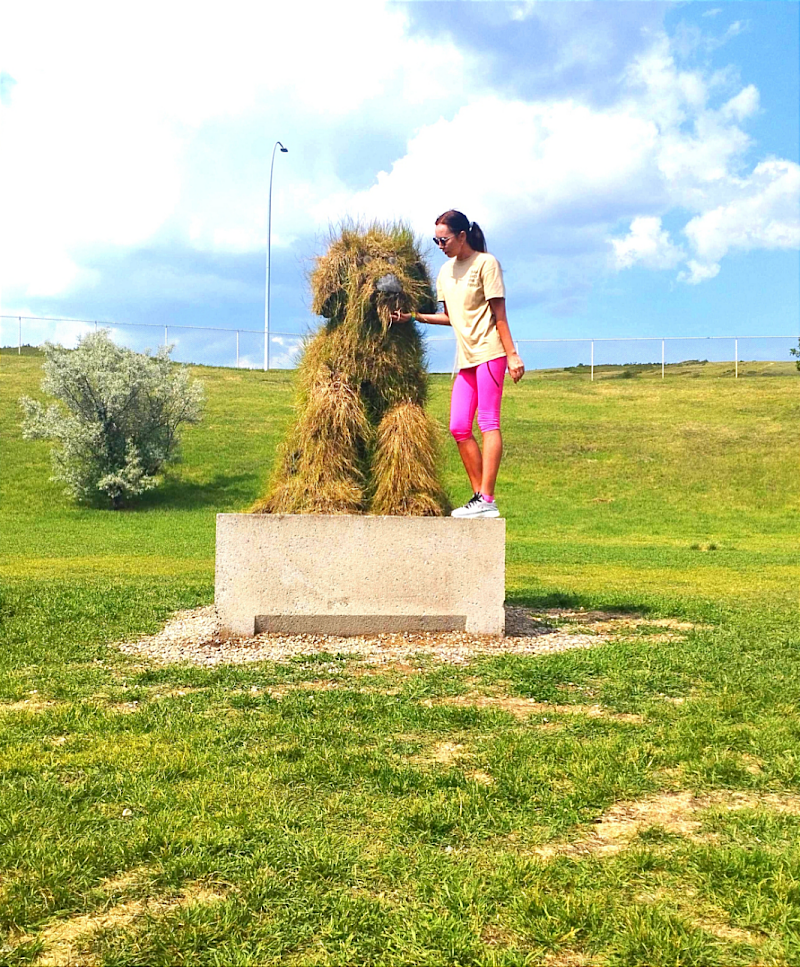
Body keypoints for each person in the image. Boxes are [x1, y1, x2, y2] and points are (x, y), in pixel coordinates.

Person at [391, 209, 524, 518]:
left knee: (488, 422)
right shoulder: (445, 273)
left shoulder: (486, 264)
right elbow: (451, 318)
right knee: (458, 426)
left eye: (444, 239)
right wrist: (412, 317)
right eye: (435, 240)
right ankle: (480, 498)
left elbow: (500, 316)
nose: (440, 245)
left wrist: (513, 355)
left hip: (491, 353)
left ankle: (486, 498)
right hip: (465, 359)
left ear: (462, 235)